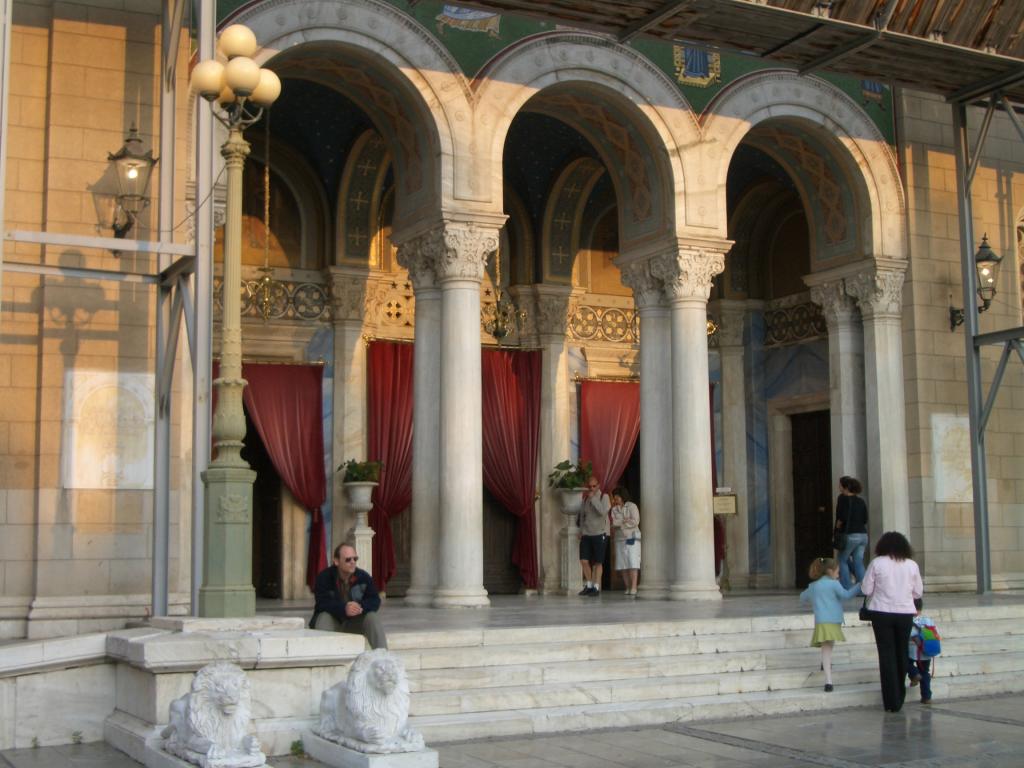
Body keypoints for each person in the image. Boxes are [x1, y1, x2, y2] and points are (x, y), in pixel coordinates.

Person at [861, 531, 923, 712]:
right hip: (904, 613)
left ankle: (890, 699)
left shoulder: (877, 563)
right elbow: (918, 592)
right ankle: (899, 697)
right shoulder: (911, 565)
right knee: (902, 652)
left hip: (881, 612)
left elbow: (866, 589)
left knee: (886, 655)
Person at [800, 557, 861, 691]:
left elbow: (802, 597)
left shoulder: (813, 586)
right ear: (829, 571)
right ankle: (828, 681)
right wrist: (859, 586)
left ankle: (825, 666)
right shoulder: (834, 584)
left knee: (827, 646)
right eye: (837, 572)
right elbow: (846, 595)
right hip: (833, 620)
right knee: (827, 648)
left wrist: (814, 598)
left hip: (821, 621)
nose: (838, 575)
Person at [311, 542, 388, 649]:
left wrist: (359, 607)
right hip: (333, 622)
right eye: (348, 559)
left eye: (355, 559)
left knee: (372, 617)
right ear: (336, 561)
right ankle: (324, 656)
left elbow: (375, 600)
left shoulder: (363, 577)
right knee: (323, 617)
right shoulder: (324, 577)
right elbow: (322, 603)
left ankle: (383, 655)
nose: (352, 562)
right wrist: (344, 608)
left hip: (354, 623)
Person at [578, 475, 610, 596]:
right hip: (586, 533)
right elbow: (582, 516)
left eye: (593, 486)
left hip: (600, 533)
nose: (591, 488)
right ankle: (589, 584)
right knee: (583, 560)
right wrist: (581, 530)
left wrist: (593, 499)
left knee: (598, 562)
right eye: (589, 486)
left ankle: (596, 587)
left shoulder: (604, 497)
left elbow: (602, 511)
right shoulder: (585, 499)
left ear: (598, 486)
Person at [835, 475, 868, 589]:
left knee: (842, 559)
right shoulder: (861, 501)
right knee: (858, 561)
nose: (839, 487)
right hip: (863, 535)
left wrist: (837, 528)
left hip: (850, 534)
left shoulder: (842, 499)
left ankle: (847, 586)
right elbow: (865, 519)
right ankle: (863, 588)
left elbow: (841, 517)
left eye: (840, 485)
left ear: (846, 487)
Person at [610, 486, 641, 596]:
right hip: (619, 538)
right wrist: (625, 520)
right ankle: (627, 587)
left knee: (632, 561)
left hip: (632, 537)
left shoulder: (632, 506)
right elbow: (614, 523)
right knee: (622, 563)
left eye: (617, 497)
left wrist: (621, 523)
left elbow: (635, 521)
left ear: (622, 496)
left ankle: (634, 587)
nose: (615, 500)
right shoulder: (614, 509)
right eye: (614, 498)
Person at [907, 603, 935, 705]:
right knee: (925, 672)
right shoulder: (928, 620)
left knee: (905, 663)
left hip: (912, 650)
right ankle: (926, 697)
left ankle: (914, 674)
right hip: (926, 651)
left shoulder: (909, 621)